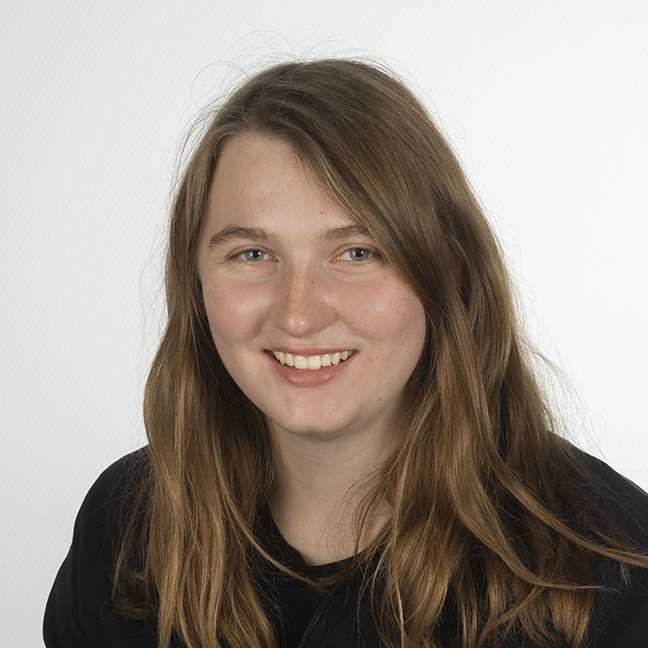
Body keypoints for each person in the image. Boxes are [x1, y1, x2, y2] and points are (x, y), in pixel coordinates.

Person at [44, 59, 648, 648]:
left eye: (357, 253)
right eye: (252, 254)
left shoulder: (613, 574)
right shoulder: (124, 528)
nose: (298, 315)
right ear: (195, 281)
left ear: (451, 271)